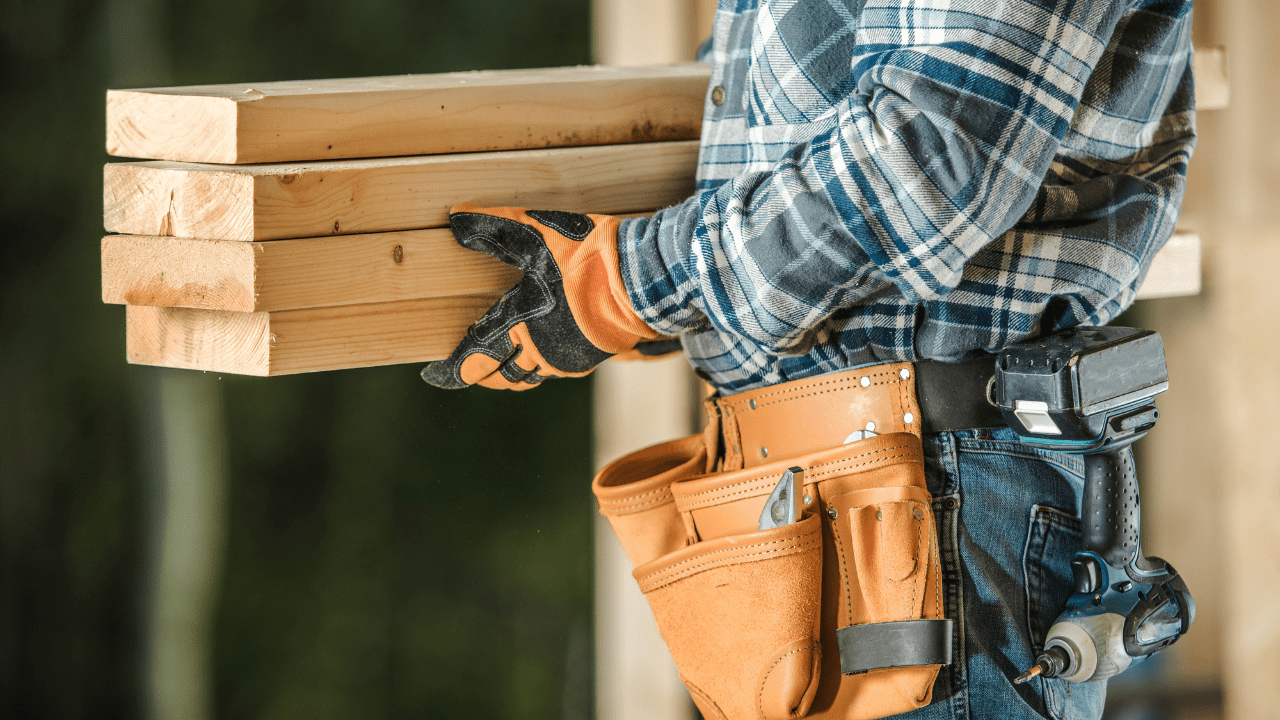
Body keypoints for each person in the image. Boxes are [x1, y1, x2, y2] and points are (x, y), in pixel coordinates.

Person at [422, 0, 1195, 717]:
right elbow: (791, 130)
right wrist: (679, 295)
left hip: (938, 494)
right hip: (830, 492)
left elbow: (932, 159)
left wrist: (636, 283)